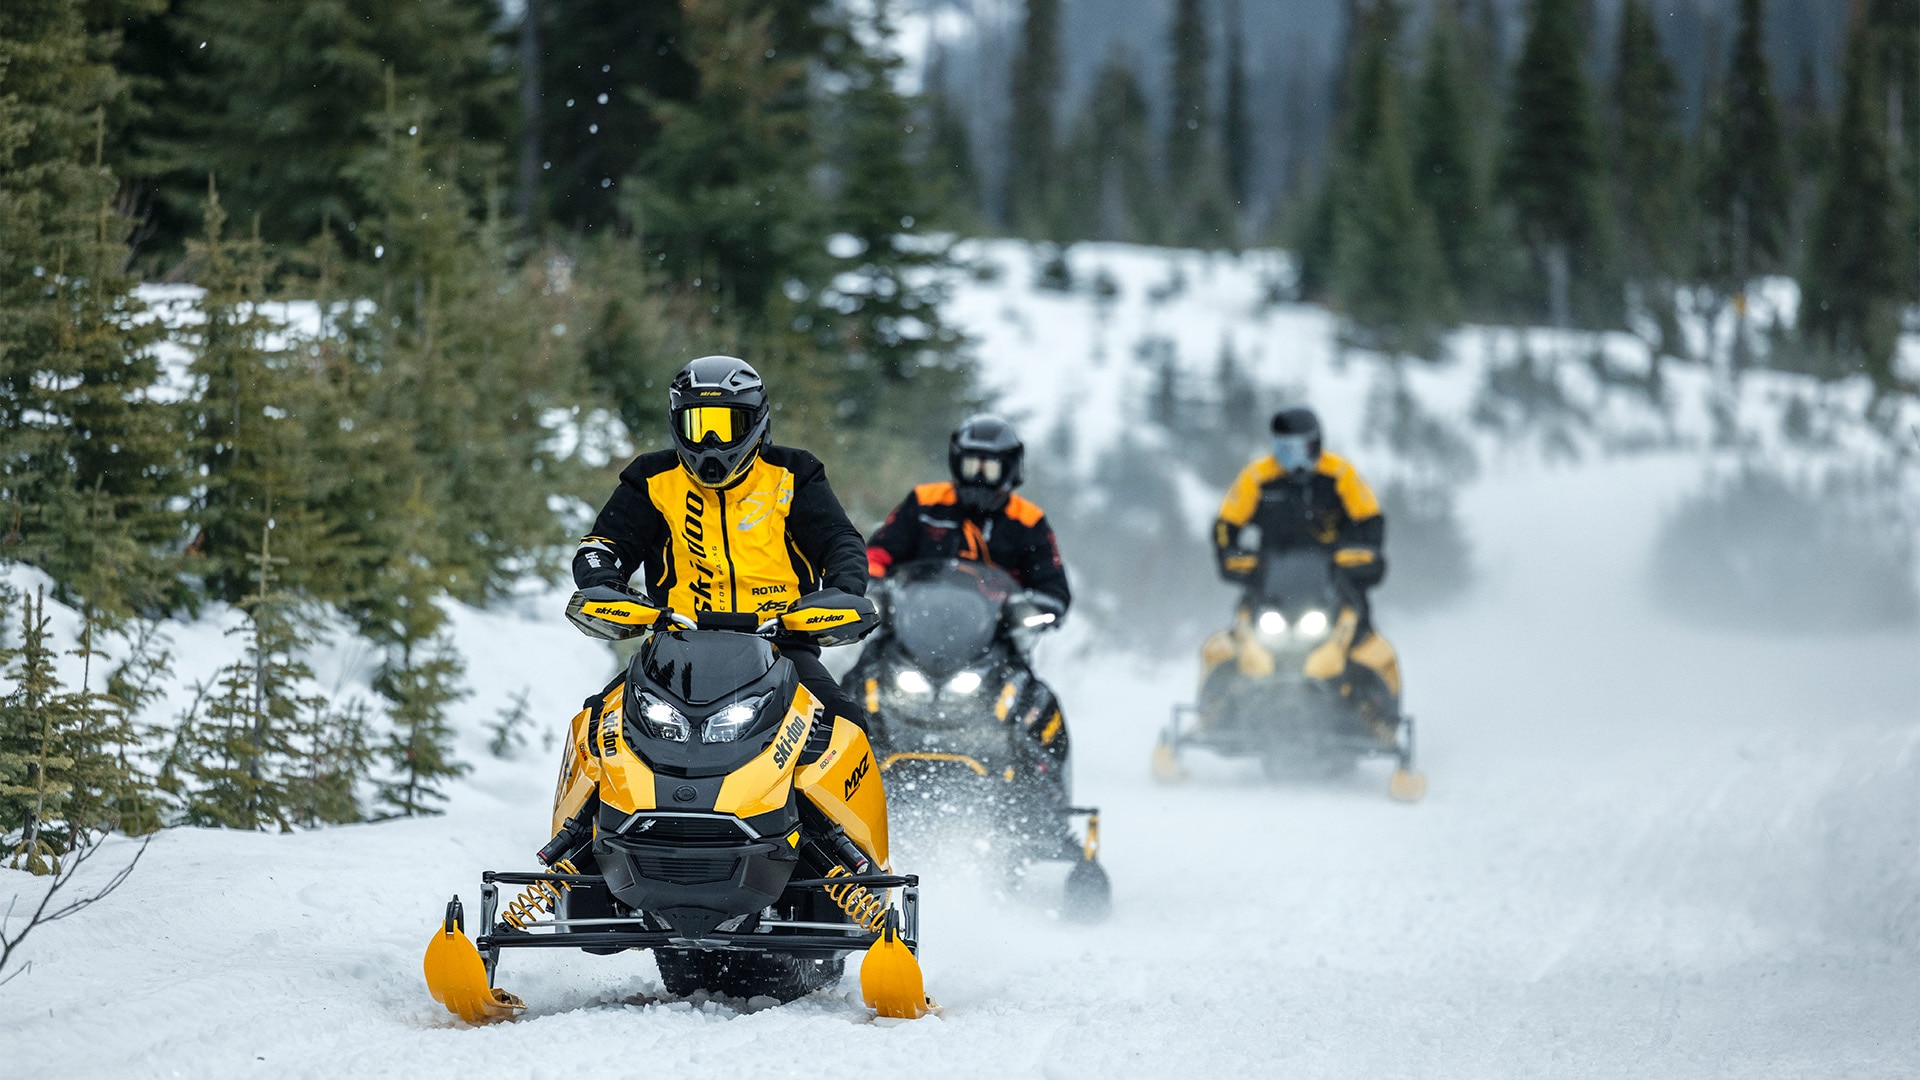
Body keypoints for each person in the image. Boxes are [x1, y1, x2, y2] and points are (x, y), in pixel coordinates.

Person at [571, 355, 870, 727]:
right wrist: (603, 585)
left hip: (782, 645)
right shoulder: (650, 478)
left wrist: (843, 591)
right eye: (698, 425)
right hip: (675, 649)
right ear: (676, 423)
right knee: (594, 725)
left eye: (728, 425)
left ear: (756, 421)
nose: (711, 442)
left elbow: (839, 541)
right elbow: (602, 547)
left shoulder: (795, 474)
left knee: (847, 723)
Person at [864, 414, 1073, 769]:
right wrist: (873, 585)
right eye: (970, 464)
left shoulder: (1028, 521)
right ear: (955, 462)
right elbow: (880, 551)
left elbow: (1053, 586)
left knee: (1034, 704)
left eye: (989, 468)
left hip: (994, 640)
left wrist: (1031, 608)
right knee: (855, 686)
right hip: (911, 632)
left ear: (1009, 471)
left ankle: (1042, 791)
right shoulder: (925, 502)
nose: (978, 476)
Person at [1209, 406, 1401, 732]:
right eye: (1283, 449)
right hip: (1271, 585)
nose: (1291, 459)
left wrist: (1363, 555)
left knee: (1361, 638)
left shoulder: (1339, 475)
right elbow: (1227, 524)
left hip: (1333, 582)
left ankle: (1373, 713)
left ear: (1315, 445)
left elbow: (1371, 520)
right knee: (1237, 636)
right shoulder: (1258, 477)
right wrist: (1233, 556)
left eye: (1298, 449)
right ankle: (1216, 709)